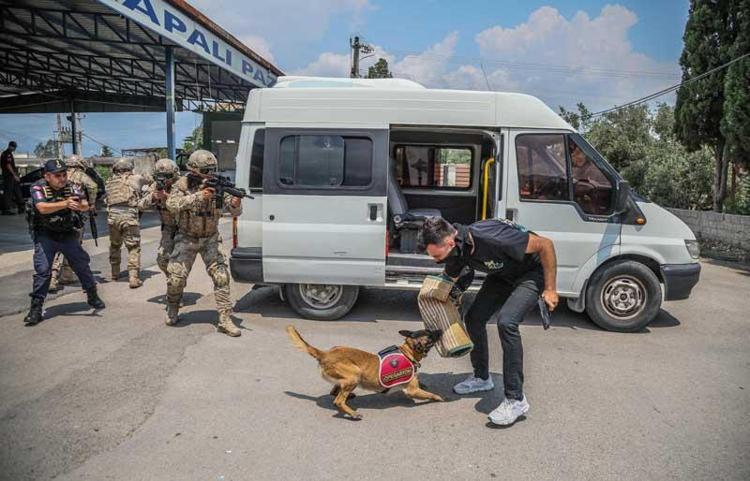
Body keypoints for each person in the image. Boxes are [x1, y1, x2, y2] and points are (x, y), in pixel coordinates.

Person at [420, 216, 559, 426]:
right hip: (503, 274)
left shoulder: (491, 237)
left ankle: (515, 400)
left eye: (437, 256)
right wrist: (435, 299)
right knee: (474, 318)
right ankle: (482, 377)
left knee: (507, 322)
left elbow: (545, 245)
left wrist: (550, 289)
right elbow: (449, 280)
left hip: (532, 272)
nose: (436, 260)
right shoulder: (457, 249)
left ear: (449, 242)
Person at [165, 150, 243, 337]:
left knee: (222, 277)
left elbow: (235, 212)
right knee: (176, 279)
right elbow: (172, 205)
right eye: (206, 170)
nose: (210, 174)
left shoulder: (218, 184)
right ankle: (173, 306)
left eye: (212, 169)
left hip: (210, 239)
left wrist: (235, 203)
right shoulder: (182, 184)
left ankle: (225, 319)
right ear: (193, 169)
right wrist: (200, 196)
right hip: (187, 237)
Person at [23, 159, 105, 325]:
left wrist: (80, 206)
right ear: (47, 176)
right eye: (57, 176)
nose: (62, 178)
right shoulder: (38, 187)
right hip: (45, 235)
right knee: (43, 270)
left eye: (64, 174)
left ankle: (92, 295)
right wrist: (66, 203)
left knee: (81, 265)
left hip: (67, 233)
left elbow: (85, 205)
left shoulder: (73, 186)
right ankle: (36, 308)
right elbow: (42, 208)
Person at [49, 154, 99, 292]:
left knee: (56, 246)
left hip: (56, 213)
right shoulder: (80, 175)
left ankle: (55, 277)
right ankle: (64, 275)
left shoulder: (58, 175)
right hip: (73, 215)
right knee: (72, 244)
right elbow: (93, 186)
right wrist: (91, 204)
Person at [106, 158, 146, 288]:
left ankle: (114, 274)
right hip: (129, 216)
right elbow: (150, 180)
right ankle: (133, 278)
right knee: (133, 247)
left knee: (115, 245)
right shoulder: (135, 178)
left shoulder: (110, 182)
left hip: (112, 217)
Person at [137, 158, 179, 276]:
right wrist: (153, 197)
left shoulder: (181, 184)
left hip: (184, 228)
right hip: (168, 229)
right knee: (162, 260)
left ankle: (177, 281)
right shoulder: (156, 186)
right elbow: (140, 205)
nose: (164, 179)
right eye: (160, 176)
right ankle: (172, 280)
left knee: (179, 264)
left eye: (168, 176)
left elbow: (189, 202)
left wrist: (167, 197)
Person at [1, 140, 24, 215]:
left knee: (17, 191)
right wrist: (14, 175)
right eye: (14, 147)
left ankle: (21, 207)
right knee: (8, 193)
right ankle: (6, 209)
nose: (14, 149)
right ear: (10, 146)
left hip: (11, 176)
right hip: (9, 176)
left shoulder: (8, 153)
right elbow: (8, 165)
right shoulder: (7, 153)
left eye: (15, 147)